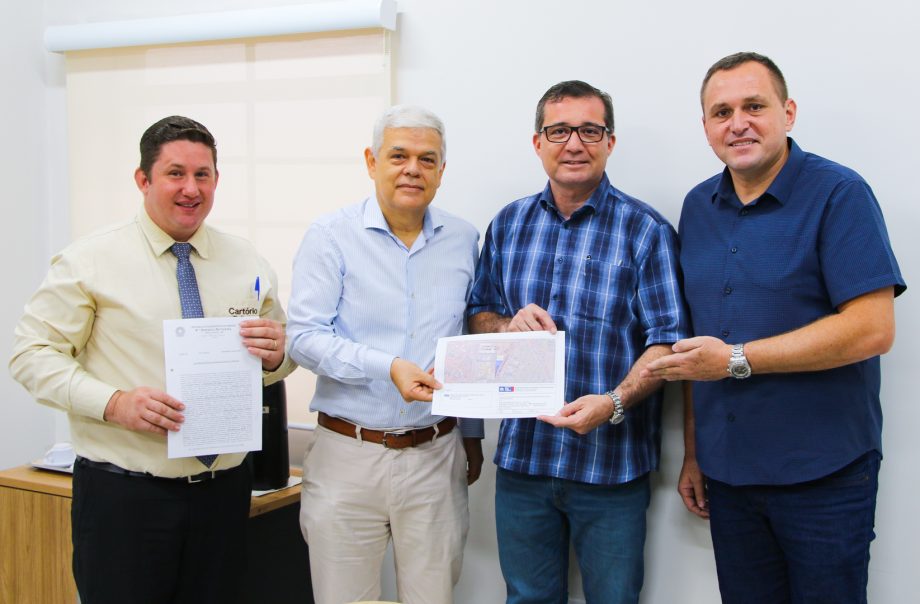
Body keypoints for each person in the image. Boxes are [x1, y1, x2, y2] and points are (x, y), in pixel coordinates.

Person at [643, 52, 906, 603]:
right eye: (722, 112)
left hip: (824, 475)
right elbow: (697, 347)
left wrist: (736, 359)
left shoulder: (839, 194)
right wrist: (695, 450)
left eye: (754, 106)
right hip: (729, 474)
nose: (738, 123)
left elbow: (872, 329)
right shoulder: (698, 206)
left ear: (788, 113)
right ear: (706, 127)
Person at [9, 116, 296, 603]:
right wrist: (114, 402)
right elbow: (31, 356)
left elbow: (279, 358)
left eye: (203, 175)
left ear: (217, 180)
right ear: (143, 179)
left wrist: (277, 357)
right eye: (175, 173)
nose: (191, 189)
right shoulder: (89, 260)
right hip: (126, 500)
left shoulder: (245, 260)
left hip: (224, 494)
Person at [467, 80, 690, 604]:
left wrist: (613, 402)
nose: (574, 143)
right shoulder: (508, 225)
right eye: (559, 131)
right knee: (525, 598)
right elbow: (477, 316)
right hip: (524, 462)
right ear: (537, 142)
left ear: (610, 142)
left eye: (590, 131)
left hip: (611, 468)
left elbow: (668, 344)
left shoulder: (646, 230)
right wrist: (506, 326)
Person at [286, 104, 484, 604]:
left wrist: (472, 434)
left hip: (436, 454)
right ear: (372, 161)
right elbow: (303, 337)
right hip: (347, 455)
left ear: (442, 170)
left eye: (427, 159)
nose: (413, 169)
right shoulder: (330, 236)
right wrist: (387, 366)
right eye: (399, 156)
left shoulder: (464, 239)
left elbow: (466, 338)